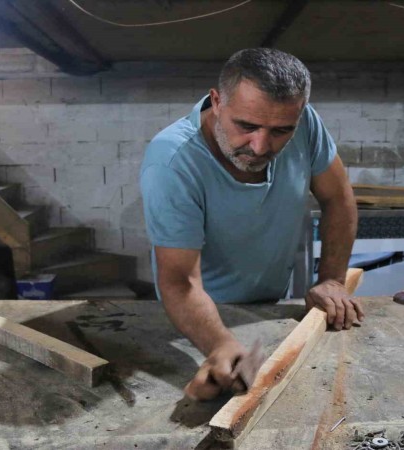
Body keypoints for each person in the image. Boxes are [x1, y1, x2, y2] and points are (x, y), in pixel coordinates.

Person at [140, 48, 362, 399]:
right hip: (196, 318)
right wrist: (219, 344)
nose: (260, 147)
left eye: (281, 131)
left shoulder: (306, 123)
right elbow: (180, 281)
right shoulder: (172, 160)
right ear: (217, 102)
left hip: (271, 304)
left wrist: (332, 279)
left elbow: (338, 199)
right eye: (246, 126)